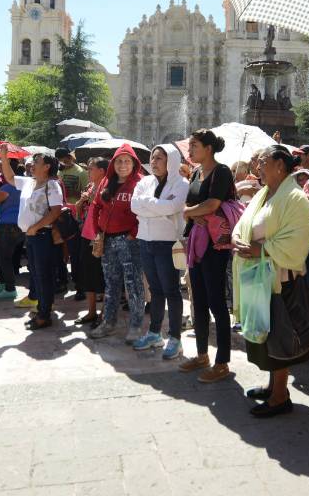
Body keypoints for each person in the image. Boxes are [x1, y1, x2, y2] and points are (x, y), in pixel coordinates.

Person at [232, 145, 309, 417]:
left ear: (280, 165)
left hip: (281, 280)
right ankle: (272, 387)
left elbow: (298, 240)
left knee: (278, 337)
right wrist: (236, 238)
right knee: (263, 334)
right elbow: (246, 221)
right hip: (259, 277)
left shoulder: (295, 197)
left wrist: (260, 249)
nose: (258, 166)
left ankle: (281, 396)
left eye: (263, 161)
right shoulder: (266, 193)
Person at [181, 129, 241, 383]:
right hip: (196, 240)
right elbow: (189, 206)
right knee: (199, 301)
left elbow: (213, 204)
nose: (190, 150)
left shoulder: (222, 171)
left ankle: (223, 362)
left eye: (194, 145)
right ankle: (203, 354)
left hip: (214, 246)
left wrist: (190, 212)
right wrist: (192, 213)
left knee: (216, 302)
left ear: (208, 148)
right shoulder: (196, 172)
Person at [130, 144, 187, 357]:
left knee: (171, 290)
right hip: (145, 241)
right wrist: (158, 205)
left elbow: (174, 208)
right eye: (153, 158)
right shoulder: (144, 182)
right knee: (155, 290)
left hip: (167, 244)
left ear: (170, 161)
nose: (154, 162)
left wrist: (149, 207)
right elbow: (134, 206)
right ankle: (154, 333)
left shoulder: (181, 184)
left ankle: (175, 338)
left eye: (159, 158)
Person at [89, 144, 146, 342]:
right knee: (111, 284)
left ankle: (136, 326)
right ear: (113, 164)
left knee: (134, 285)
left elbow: (144, 212)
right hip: (107, 240)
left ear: (134, 163)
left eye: (127, 161)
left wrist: (132, 234)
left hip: (130, 242)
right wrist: (97, 231)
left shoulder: (141, 183)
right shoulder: (107, 181)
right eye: (119, 161)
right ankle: (109, 322)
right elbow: (96, 206)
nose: (123, 165)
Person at [2, 146, 63, 329]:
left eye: (36, 162)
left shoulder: (52, 185)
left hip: (42, 235)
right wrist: (4, 158)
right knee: (36, 274)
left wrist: (35, 227)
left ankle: (44, 315)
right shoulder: (29, 182)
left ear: (46, 167)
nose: (31, 165)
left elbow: (55, 212)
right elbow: (10, 178)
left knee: (43, 275)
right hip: (32, 236)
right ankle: (41, 310)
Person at [73, 158, 109, 326]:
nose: (88, 171)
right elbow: (78, 213)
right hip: (86, 234)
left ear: (102, 171)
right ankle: (91, 311)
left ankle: (104, 313)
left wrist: (94, 196)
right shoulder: (89, 186)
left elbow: (107, 209)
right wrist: (81, 202)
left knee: (102, 275)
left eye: (91, 168)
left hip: (101, 237)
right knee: (87, 273)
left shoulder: (109, 187)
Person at [0, 158, 24, 301]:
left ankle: (10, 288)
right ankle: (2, 284)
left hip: (7, 226)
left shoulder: (5, 189)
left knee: (3, 257)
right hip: (19, 225)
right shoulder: (24, 186)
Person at [56, 147, 89, 294]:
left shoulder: (81, 172)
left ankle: (79, 286)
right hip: (59, 215)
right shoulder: (58, 172)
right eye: (62, 159)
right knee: (59, 250)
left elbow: (85, 194)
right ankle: (62, 281)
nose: (65, 161)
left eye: (67, 158)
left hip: (75, 216)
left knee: (75, 253)